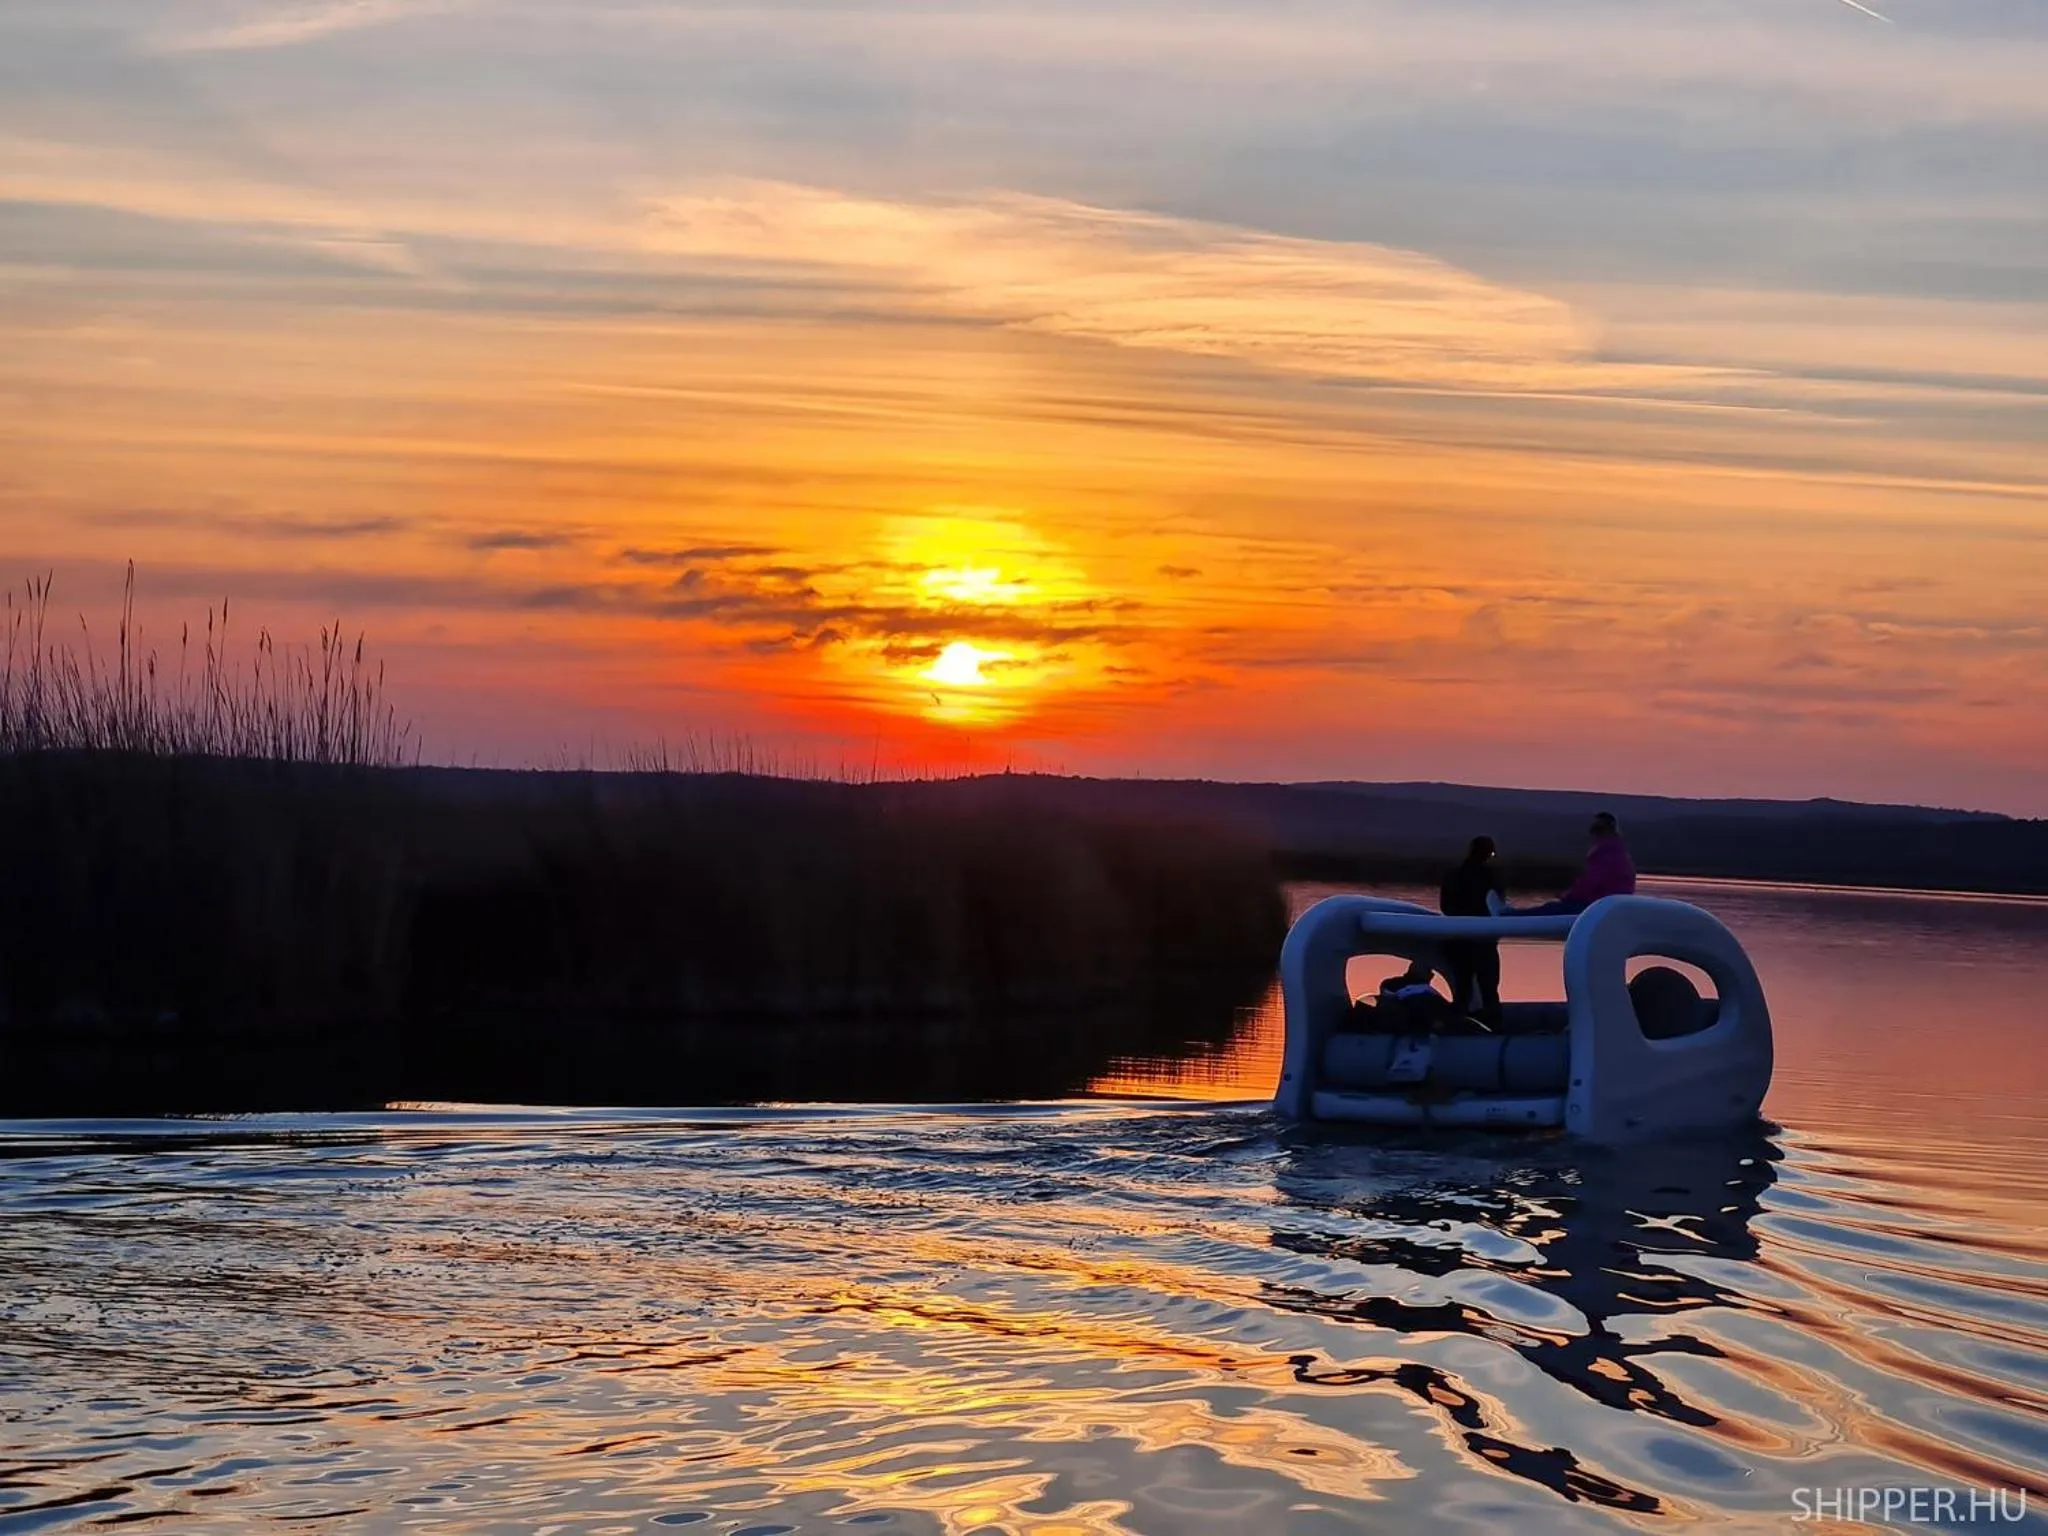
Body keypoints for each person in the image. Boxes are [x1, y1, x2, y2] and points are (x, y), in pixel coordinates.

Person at [1511, 811, 1637, 918]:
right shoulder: (1620, 854)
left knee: (1550, 908)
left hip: (1598, 908)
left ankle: (1509, 915)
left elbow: (1589, 884)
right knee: (1552, 907)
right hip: (1611, 907)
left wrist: (1567, 896)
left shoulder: (1605, 855)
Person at [1439, 835, 1505, 1027]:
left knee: (1462, 988)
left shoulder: (1452, 875)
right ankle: (1494, 1028)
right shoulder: (1492, 877)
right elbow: (1497, 907)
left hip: (1458, 939)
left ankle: (1458, 1025)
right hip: (1483, 942)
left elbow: (1445, 907)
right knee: (1488, 988)